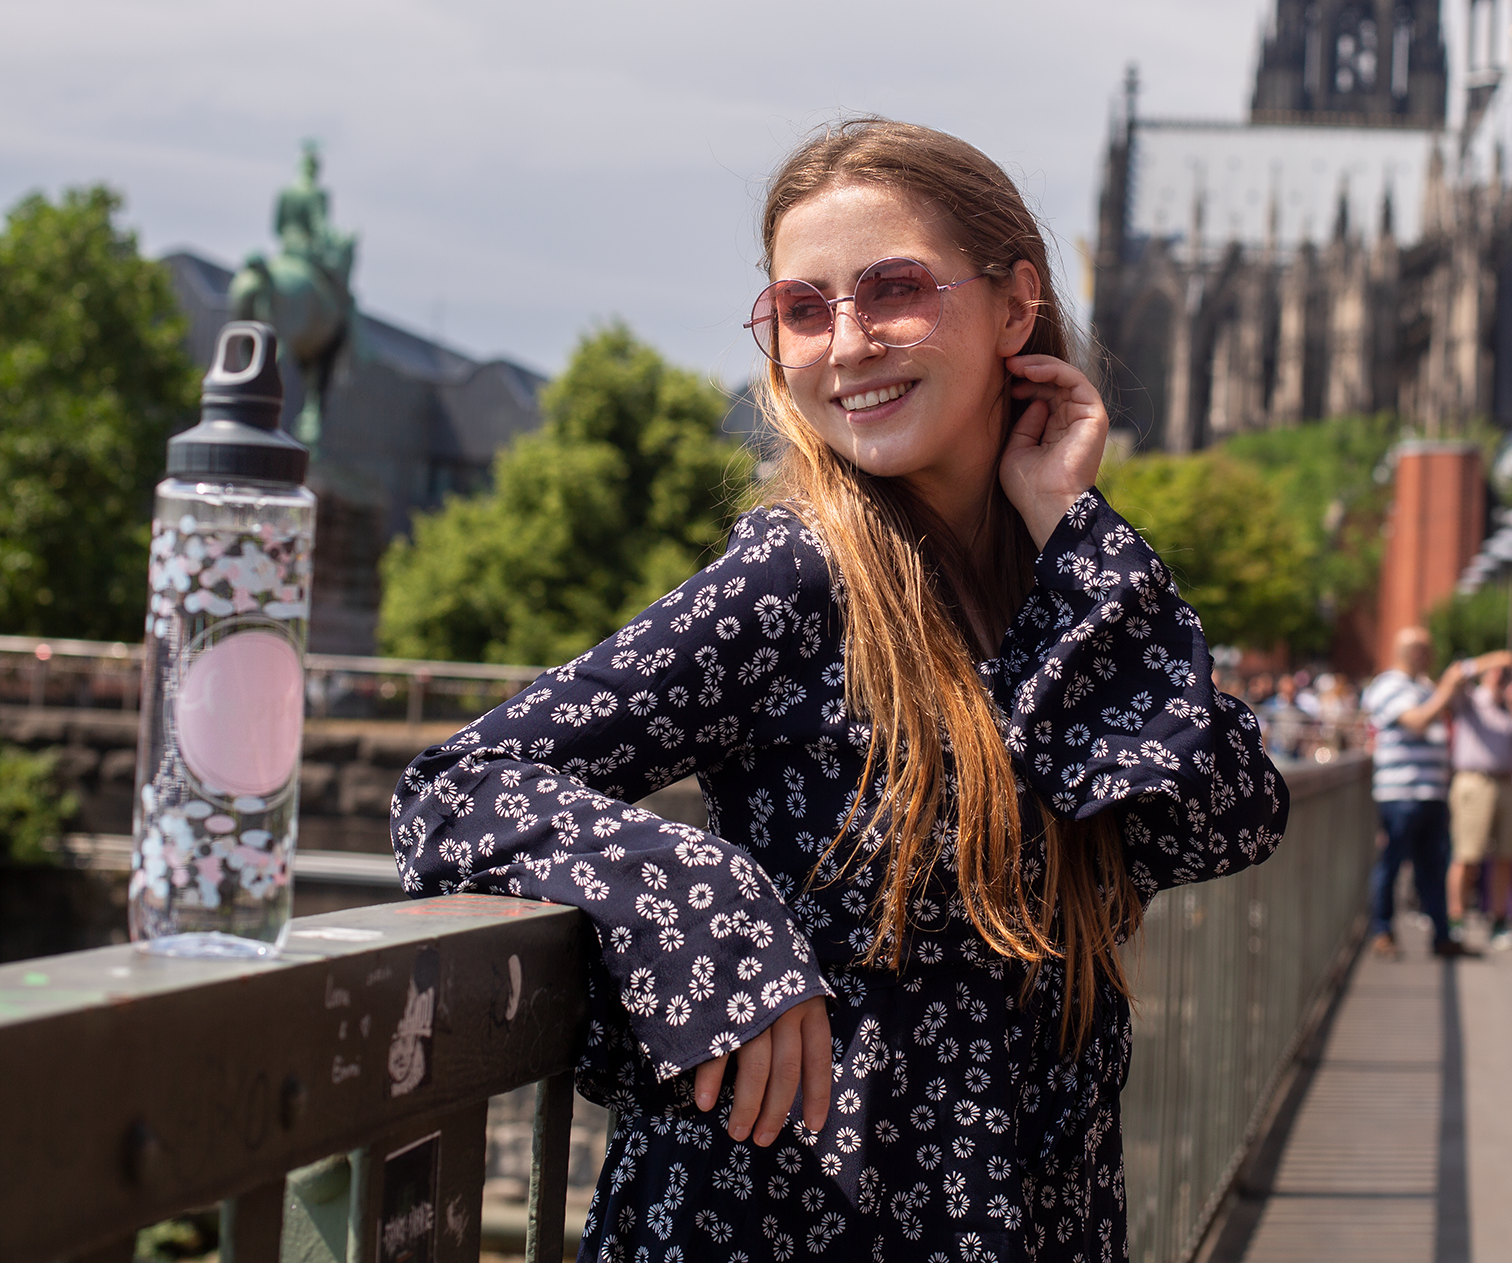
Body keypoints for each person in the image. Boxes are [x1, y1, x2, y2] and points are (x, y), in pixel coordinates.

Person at [389, 119, 1288, 1263]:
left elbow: (1222, 817)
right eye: (802, 311)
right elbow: (455, 788)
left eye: (892, 290)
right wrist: (709, 913)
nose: (847, 342)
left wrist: (1070, 521)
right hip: (786, 1223)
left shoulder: (1057, 588)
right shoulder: (796, 572)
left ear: (1017, 307)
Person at [1361, 627, 1475, 960]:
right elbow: (1418, 721)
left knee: (1433, 868)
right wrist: (1447, 689)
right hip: (1400, 793)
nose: (1432, 655)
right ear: (1413, 652)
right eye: (1427, 649)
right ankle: (1382, 932)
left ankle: (1441, 936)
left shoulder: (1424, 686)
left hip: (1431, 792)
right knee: (1392, 864)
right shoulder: (1388, 685)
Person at [1447, 654, 1512, 951]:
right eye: (1501, 673)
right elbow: (1453, 677)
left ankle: (1498, 920)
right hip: (1475, 781)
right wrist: (1490, 661)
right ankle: (1456, 921)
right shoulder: (1471, 699)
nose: (1503, 677)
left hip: (1508, 783)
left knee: (1506, 856)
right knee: (1467, 855)